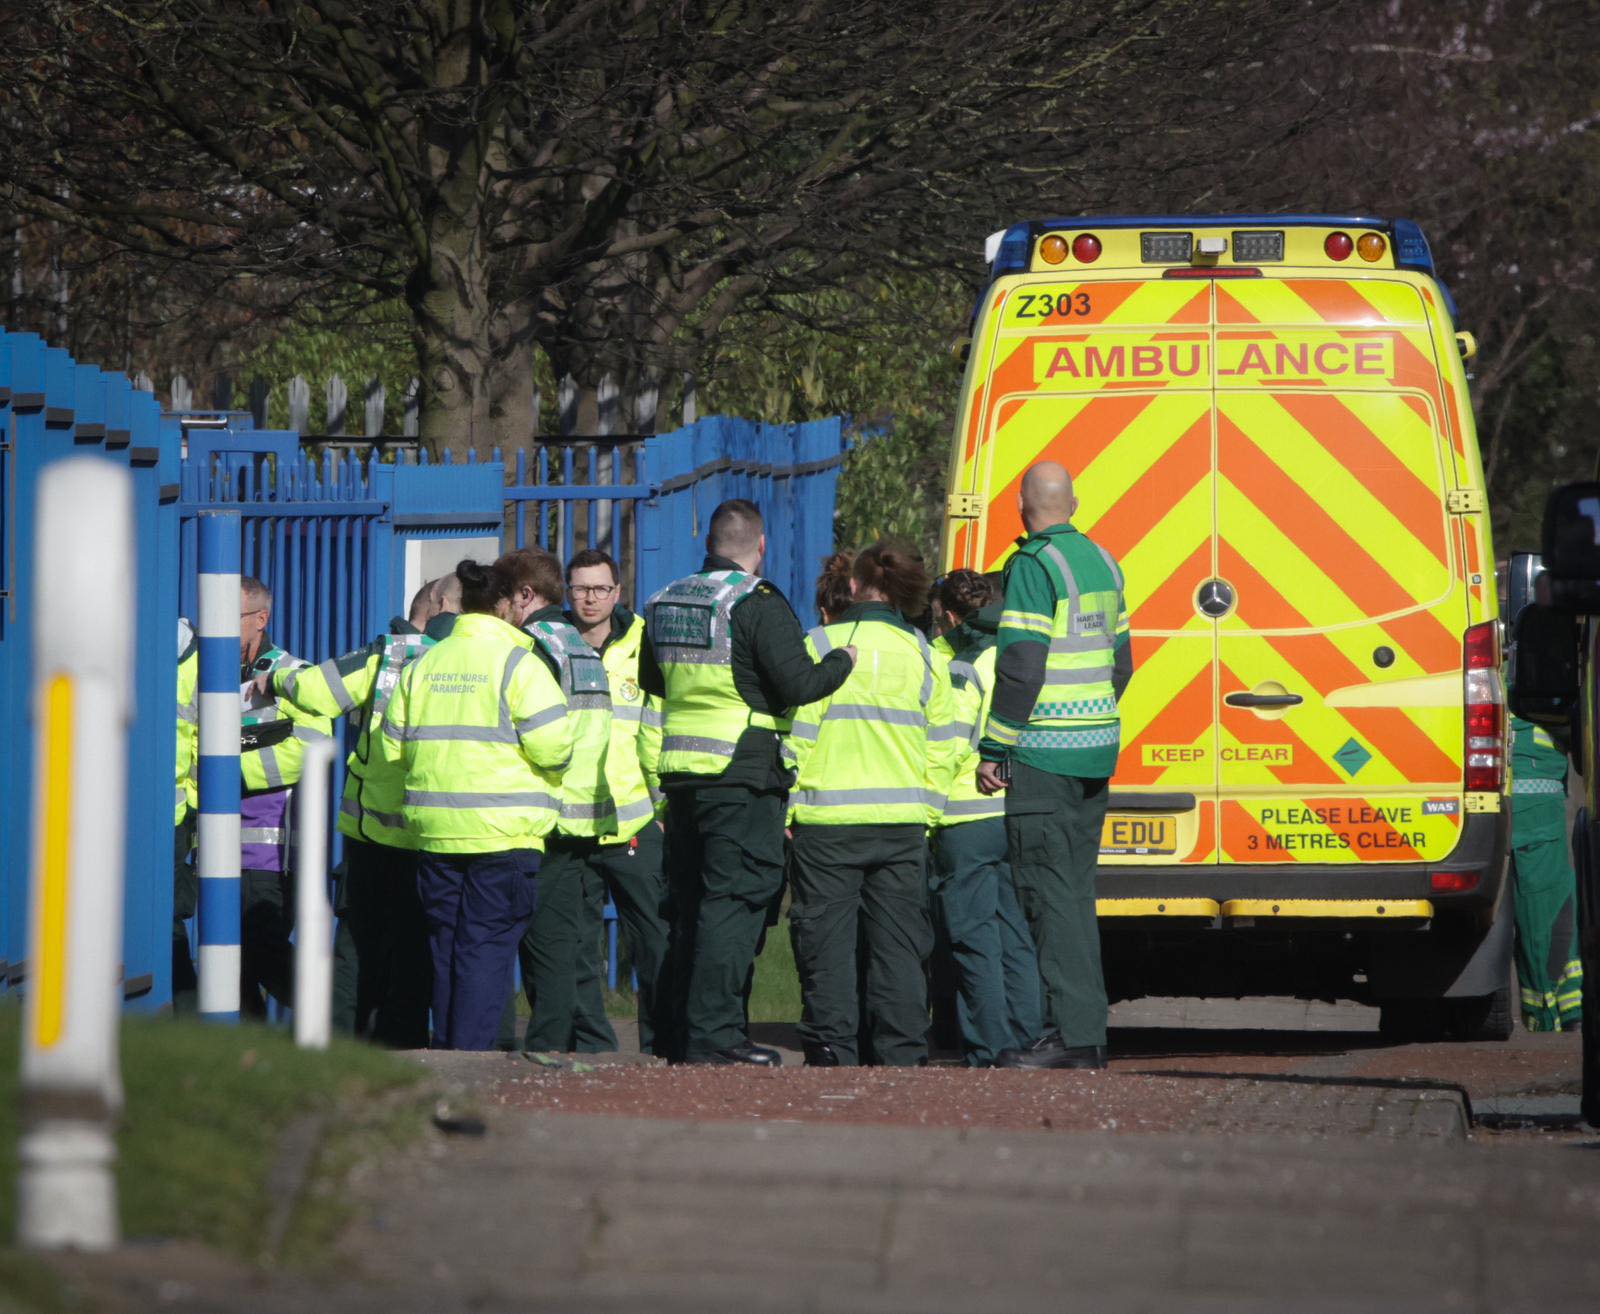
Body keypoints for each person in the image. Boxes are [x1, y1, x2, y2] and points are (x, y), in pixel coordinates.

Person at [642, 498, 856, 1065]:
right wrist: (845, 660)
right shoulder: (755, 601)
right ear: (759, 546)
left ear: (709, 544)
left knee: (691, 906)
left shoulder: (666, 599)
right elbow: (799, 683)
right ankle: (715, 1039)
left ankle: (680, 1035)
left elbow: (654, 680)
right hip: (742, 775)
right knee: (733, 902)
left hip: (683, 777)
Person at [976, 461, 1133, 1070]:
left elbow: (1020, 665)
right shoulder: (1104, 561)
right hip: (1094, 751)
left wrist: (996, 748)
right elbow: (1121, 663)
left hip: (1044, 754)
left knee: (1050, 897)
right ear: (1074, 502)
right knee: (1074, 895)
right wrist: (1090, 716)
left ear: (1021, 506)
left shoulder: (1034, 565)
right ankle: (1082, 1030)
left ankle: (1073, 1037)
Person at [381, 557, 573, 1050]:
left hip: (437, 833)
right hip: (503, 835)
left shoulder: (425, 663)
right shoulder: (519, 663)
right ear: (507, 605)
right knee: (484, 951)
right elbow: (555, 748)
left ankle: (448, 1057)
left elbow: (391, 748)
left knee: (446, 947)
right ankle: (471, 1065)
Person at [269, 573, 460, 1046]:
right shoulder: (464, 659)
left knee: (357, 947)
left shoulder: (384, 656)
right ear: (437, 603)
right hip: (434, 832)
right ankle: (406, 1042)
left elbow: (314, 690)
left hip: (371, 832)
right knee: (416, 947)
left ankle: (341, 1042)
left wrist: (273, 674)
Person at [785, 541, 955, 1067]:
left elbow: (795, 733)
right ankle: (902, 1056)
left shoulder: (816, 644)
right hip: (901, 826)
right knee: (901, 949)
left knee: (827, 948)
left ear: (854, 586)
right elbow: (944, 746)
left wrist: (789, 805)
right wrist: (925, 814)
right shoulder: (926, 654)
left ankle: (833, 1050)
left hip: (826, 823)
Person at [497, 547, 630, 1054]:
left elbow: (536, 732)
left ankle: (547, 1046)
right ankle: (585, 1044)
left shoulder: (533, 645)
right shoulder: (575, 642)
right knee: (569, 943)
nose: (502, 611)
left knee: (544, 948)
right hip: (582, 816)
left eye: (506, 600)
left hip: (547, 816)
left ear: (525, 596)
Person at [550, 548, 669, 1055]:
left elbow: (659, 728)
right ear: (567, 592)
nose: (590, 599)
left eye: (600, 588)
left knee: (656, 942)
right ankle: (593, 1050)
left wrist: (663, 809)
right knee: (574, 947)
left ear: (618, 592)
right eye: (580, 588)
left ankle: (665, 1044)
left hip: (635, 818)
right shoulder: (546, 643)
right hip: (568, 822)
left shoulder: (645, 641)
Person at [929, 570, 1042, 1066]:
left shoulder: (965, 663)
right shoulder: (1019, 654)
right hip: (1012, 812)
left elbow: (952, 744)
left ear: (952, 616)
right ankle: (1027, 1037)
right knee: (1014, 933)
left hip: (965, 814)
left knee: (974, 939)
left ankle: (991, 1048)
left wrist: (927, 807)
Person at [237, 577, 336, 1018]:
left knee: (263, 951)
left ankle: (335, 1014)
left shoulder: (293, 674)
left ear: (261, 619)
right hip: (216, 844)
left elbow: (312, 747)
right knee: (231, 960)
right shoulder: (204, 672)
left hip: (270, 852)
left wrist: (224, 768)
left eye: (230, 617)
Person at [1509, 710, 1584, 1031]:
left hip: (1523, 813)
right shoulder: (1541, 699)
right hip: (1536, 816)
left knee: (1546, 915)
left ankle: (1556, 1010)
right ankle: (1551, 1011)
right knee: (1546, 916)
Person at [173, 618, 199, 1013]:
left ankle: (185, 1008)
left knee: (170, 915)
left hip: (176, 812)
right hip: (177, 808)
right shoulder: (200, 657)